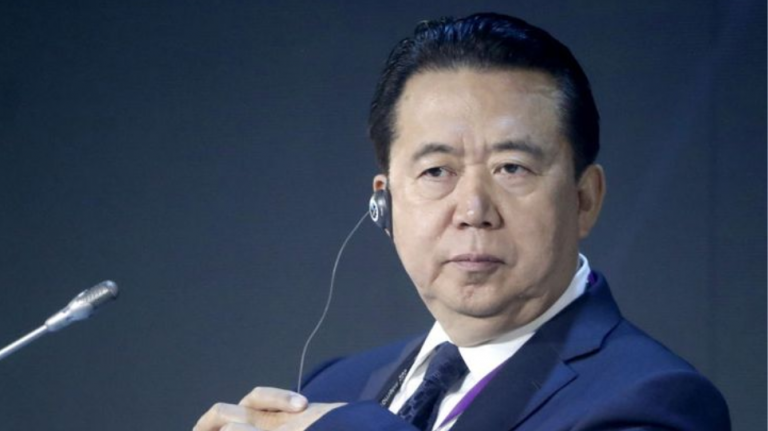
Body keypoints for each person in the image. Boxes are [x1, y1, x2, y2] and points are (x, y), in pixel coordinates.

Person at [194, 12, 730, 431]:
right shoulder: (334, 387)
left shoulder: (655, 400)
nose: (474, 211)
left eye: (512, 168)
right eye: (437, 171)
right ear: (385, 204)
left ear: (584, 200)